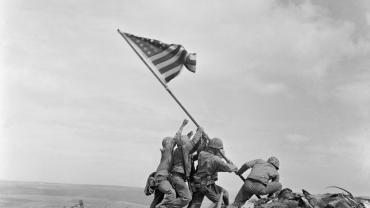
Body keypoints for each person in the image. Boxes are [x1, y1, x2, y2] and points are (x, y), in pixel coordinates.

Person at [157, 126, 204, 208]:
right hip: (177, 177)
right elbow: (193, 142)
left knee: (185, 197)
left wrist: (202, 138)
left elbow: (195, 147)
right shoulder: (183, 149)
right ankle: (165, 206)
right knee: (187, 198)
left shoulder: (181, 151)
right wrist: (199, 131)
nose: (189, 143)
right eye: (187, 141)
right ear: (184, 143)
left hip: (178, 177)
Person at [148, 120, 188, 208]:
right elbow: (176, 138)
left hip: (161, 178)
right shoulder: (167, 150)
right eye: (171, 142)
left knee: (157, 200)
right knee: (171, 193)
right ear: (168, 143)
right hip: (161, 179)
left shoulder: (168, 152)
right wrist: (182, 125)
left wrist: (187, 137)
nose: (173, 143)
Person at [187, 137, 238, 208]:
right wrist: (233, 166)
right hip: (206, 185)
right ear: (217, 149)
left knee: (195, 204)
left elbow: (216, 167)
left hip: (198, 183)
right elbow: (229, 168)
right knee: (218, 202)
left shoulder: (202, 154)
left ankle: (227, 207)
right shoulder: (216, 159)